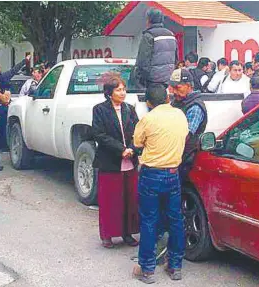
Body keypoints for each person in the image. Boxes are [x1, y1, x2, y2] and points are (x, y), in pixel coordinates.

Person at [132, 86, 189, 284]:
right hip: (173, 174)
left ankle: (147, 269)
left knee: (149, 220)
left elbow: (138, 143)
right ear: (167, 98)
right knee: (176, 220)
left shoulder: (148, 119)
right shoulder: (180, 115)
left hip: (151, 175)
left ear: (148, 103)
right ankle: (175, 266)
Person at [91, 77, 140, 249]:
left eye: (124, 89)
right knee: (110, 200)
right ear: (109, 93)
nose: (122, 93)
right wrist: (121, 149)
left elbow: (138, 131)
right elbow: (99, 134)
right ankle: (107, 235)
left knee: (129, 199)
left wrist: (132, 149)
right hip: (110, 161)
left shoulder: (130, 109)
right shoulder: (99, 110)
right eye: (118, 90)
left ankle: (127, 233)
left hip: (130, 161)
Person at [169, 68, 208, 181]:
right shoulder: (177, 102)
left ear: (189, 86)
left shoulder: (195, 108)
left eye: (178, 87)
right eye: (173, 88)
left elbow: (185, 136)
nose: (174, 92)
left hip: (184, 158)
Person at [135, 9, 178, 89]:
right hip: (168, 82)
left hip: (152, 83)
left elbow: (143, 62)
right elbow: (176, 59)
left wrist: (142, 81)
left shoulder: (148, 36)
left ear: (148, 20)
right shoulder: (171, 35)